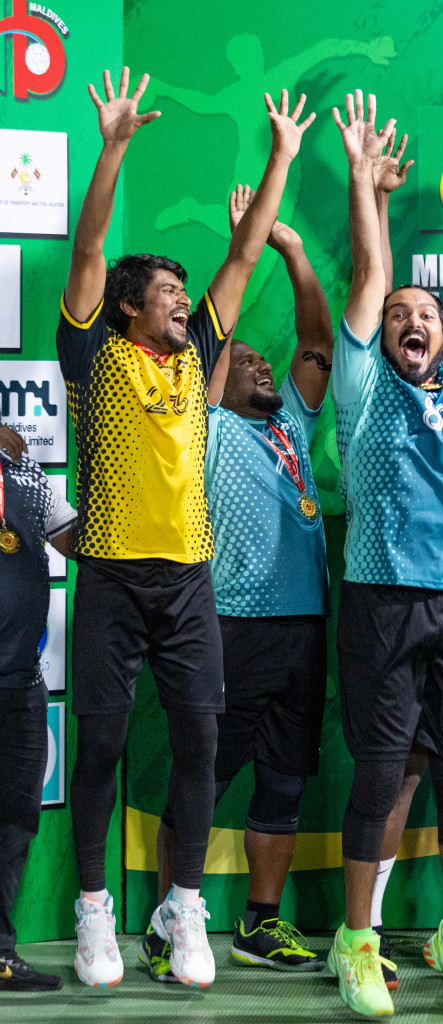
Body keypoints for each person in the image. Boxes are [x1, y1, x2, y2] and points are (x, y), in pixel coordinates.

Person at [58, 68, 305, 990]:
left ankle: (182, 910)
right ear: (129, 305)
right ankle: (95, 914)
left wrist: (281, 156)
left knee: (202, 744)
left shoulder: (198, 352)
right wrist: (114, 147)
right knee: (107, 746)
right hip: (115, 579)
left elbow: (242, 259)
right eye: (164, 288)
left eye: (179, 289)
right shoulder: (95, 351)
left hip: (188, 580)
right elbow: (89, 250)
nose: (180, 296)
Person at [323, 92, 443, 1017]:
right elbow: (370, 269)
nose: (410, 319)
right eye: (397, 313)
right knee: (378, 771)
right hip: (379, 600)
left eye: (423, 316)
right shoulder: (361, 389)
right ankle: (357, 942)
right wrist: (366, 184)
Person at [150, 189, 333, 979]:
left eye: (267, 361)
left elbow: (321, 342)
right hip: (232, 626)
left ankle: (261, 923)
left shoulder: (290, 424)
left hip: (303, 629)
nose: (263, 363)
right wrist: (248, 241)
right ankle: (166, 923)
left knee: (284, 782)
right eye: (247, 360)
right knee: (205, 778)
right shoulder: (208, 423)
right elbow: (215, 343)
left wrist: (295, 254)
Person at [0, 426, 75, 993]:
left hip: (21, 682)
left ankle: (0, 952)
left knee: (13, 822)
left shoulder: (21, 468)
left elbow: (70, 533)